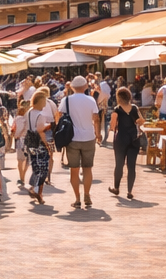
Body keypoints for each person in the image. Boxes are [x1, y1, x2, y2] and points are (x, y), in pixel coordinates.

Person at [59, 77, 99, 210]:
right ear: (85, 86)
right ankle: (87, 194)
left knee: (74, 170)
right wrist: (98, 133)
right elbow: (96, 118)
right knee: (88, 169)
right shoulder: (91, 100)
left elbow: (59, 116)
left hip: (72, 139)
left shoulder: (67, 100)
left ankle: (77, 199)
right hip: (88, 136)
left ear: (72, 87)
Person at [108, 87, 141, 199]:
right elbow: (141, 120)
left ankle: (116, 188)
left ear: (118, 97)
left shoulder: (116, 110)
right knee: (131, 166)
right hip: (133, 139)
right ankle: (130, 191)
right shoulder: (135, 108)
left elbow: (112, 126)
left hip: (121, 139)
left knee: (119, 165)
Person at [25, 87, 56, 206]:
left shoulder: (28, 113)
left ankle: (32, 187)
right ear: (39, 102)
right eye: (43, 102)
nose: (45, 104)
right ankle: (38, 192)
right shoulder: (40, 115)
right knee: (43, 168)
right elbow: (40, 131)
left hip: (30, 143)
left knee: (35, 166)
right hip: (39, 143)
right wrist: (47, 145)